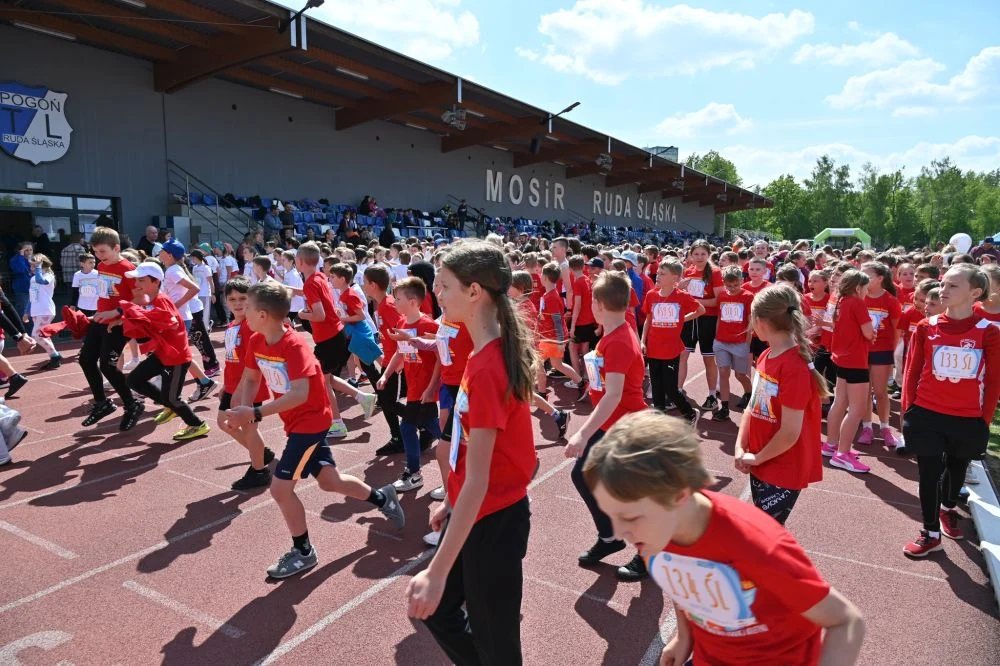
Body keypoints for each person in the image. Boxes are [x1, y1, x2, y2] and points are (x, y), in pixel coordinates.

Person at [585, 410, 866, 666]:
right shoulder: (654, 532)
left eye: (630, 517)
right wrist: (685, 638)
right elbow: (681, 580)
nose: (620, 532)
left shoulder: (758, 547)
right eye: (612, 515)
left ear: (679, 496)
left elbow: (846, 622)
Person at [406, 242, 536, 666]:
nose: (436, 295)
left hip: (494, 521)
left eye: (444, 286)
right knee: (443, 613)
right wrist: (453, 497)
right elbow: (471, 454)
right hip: (477, 509)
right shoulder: (481, 353)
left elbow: (482, 476)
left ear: (475, 291)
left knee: (497, 644)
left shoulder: (488, 365)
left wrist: (438, 569)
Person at [223, 281, 405, 578]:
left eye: (250, 306)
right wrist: (242, 410)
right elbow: (251, 379)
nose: (243, 309)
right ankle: (382, 498)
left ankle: (303, 551)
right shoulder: (257, 341)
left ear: (264, 314)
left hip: (310, 423)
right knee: (330, 481)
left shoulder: (295, 346)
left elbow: (299, 394)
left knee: (280, 489)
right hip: (294, 422)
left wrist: (254, 411)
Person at [902, 264, 1000, 557]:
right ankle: (930, 532)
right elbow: (912, 372)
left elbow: (994, 382)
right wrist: (909, 411)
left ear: (975, 293)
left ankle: (947, 508)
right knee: (928, 474)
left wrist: (982, 420)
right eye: (943, 284)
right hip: (927, 415)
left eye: (953, 286)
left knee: (955, 472)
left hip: (967, 419)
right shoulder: (926, 327)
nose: (943, 289)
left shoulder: (989, 333)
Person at [566, 270, 651, 582]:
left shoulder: (619, 341)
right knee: (583, 475)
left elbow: (614, 396)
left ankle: (647, 553)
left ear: (597, 304)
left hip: (626, 428)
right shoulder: (611, 334)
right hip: (612, 424)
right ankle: (610, 538)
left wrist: (582, 432)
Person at [735, 284, 825, 524]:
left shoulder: (793, 367)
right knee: (764, 535)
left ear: (760, 321)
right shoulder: (766, 355)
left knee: (765, 536)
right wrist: (740, 447)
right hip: (761, 459)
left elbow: (790, 432)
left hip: (782, 466)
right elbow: (752, 406)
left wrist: (759, 458)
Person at [118, 262, 211, 441]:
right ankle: (169, 407)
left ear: (155, 282)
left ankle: (197, 424)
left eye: (142, 280)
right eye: (136, 280)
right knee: (134, 380)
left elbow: (171, 321)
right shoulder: (151, 300)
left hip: (176, 357)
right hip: (162, 354)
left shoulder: (161, 300)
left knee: (173, 398)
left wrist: (142, 315)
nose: (137, 284)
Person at [376, 276, 441, 492]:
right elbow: (400, 352)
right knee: (432, 426)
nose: (394, 302)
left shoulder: (428, 325)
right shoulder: (403, 323)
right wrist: (386, 374)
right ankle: (464, 449)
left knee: (408, 427)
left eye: (398, 298)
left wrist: (432, 386)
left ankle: (414, 473)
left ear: (413, 301)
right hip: (414, 386)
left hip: (425, 387)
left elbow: (442, 357)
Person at [81, 227, 143, 431]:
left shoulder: (128, 269)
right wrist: (98, 313)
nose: (99, 256)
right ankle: (102, 403)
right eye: (96, 252)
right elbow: (106, 294)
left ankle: (132, 404)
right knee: (85, 359)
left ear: (116, 248)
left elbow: (140, 299)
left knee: (108, 366)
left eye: (103, 251)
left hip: (117, 324)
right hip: (99, 320)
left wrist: (116, 313)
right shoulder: (101, 265)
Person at [216, 277, 274, 490]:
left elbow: (254, 365)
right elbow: (232, 360)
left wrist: (243, 393)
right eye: (232, 299)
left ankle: (259, 470)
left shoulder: (251, 327)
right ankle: (261, 453)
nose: (237, 303)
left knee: (249, 428)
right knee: (224, 423)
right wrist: (225, 386)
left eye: (242, 298)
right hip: (232, 386)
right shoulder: (232, 325)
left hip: (249, 387)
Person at [824, 270, 875, 474]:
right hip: (855, 360)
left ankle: (831, 445)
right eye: (865, 288)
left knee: (840, 402)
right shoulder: (857, 303)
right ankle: (843, 453)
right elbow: (868, 332)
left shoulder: (841, 301)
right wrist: (872, 334)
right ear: (858, 287)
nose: (867, 292)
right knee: (857, 408)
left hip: (841, 358)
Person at [640, 258, 702, 422]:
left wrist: (683, 319)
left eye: (662, 274)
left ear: (675, 278)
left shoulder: (681, 296)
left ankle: (689, 413)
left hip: (671, 350)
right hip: (653, 348)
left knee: (670, 388)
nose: (657, 276)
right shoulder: (652, 295)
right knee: (656, 385)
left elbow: (700, 310)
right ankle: (659, 417)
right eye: (658, 272)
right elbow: (648, 319)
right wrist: (642, 341)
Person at [858, 262, 903, 450]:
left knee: (880, 392)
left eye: (866, 275)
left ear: (879, 279)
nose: (862, 279)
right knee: (864, 392)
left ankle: (885, 428)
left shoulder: (890, 301)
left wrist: (893, 355)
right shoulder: (858, 297)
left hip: (882, 351)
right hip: (860, 350)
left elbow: (896, 330)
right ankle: (867, 427)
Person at [680, 239, 724, 410]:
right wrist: (681, 289)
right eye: (696, 254)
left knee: (708, 359)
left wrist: (696, 302)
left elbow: (718, 301)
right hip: (691, 319)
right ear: (690, 255)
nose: (699, 257)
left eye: (703, 254)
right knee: (683, 355)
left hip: (708, 320)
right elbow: (683, 298)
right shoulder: (688, 272)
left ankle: (712, 395)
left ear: (708, 255)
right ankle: (677, 390)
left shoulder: (715, 272)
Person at [28, 254, 62, 370]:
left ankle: (55, 355)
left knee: (35, 335)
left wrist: (38, 267)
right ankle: (54, 357)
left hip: (45, 309)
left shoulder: (48, 275)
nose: (32, 268)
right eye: (32, 266)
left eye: (34, 266)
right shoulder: (32, 278)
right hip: (35, 310)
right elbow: (31, 295)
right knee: (42, 335)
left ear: (42, 264)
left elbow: (41, 280)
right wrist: (26, 311)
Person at [9, 242, 33, 320]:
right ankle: (23, 330)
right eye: (26, 250)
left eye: (31, 250)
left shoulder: (34, 259)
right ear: (21, 251)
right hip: (22, 289)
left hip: (33, 289)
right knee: (23, 311)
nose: (29, 252)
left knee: (32, 312)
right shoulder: (15, 259)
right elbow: (21, 270)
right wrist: (21, 256)